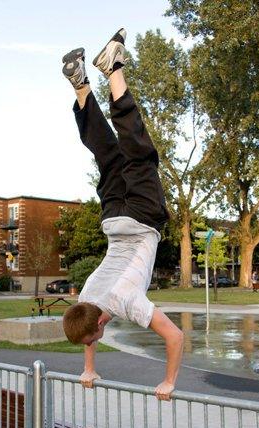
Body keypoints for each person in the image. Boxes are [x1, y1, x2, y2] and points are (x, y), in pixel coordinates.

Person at [61, 28, 184, 401]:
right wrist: (88, 367)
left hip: (142, 220)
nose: (94, 341)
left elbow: (174, 336)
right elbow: (87, 327)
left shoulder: (127, 301)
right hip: (113, 220)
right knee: (109, 156)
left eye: (95, 337)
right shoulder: (85, 297)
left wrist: (169, 382)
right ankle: (81, 88)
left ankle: (113, 68)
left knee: (138, 153)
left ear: (98, 322)